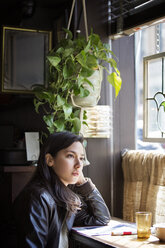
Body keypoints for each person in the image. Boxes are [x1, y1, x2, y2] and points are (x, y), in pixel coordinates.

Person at [13, 131, 110, 248]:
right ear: (49, 160)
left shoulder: (63, 198)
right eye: (70, 156)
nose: (79, 164)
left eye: (81, 158)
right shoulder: (39, 197)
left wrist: (83, 183)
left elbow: (101, 219)